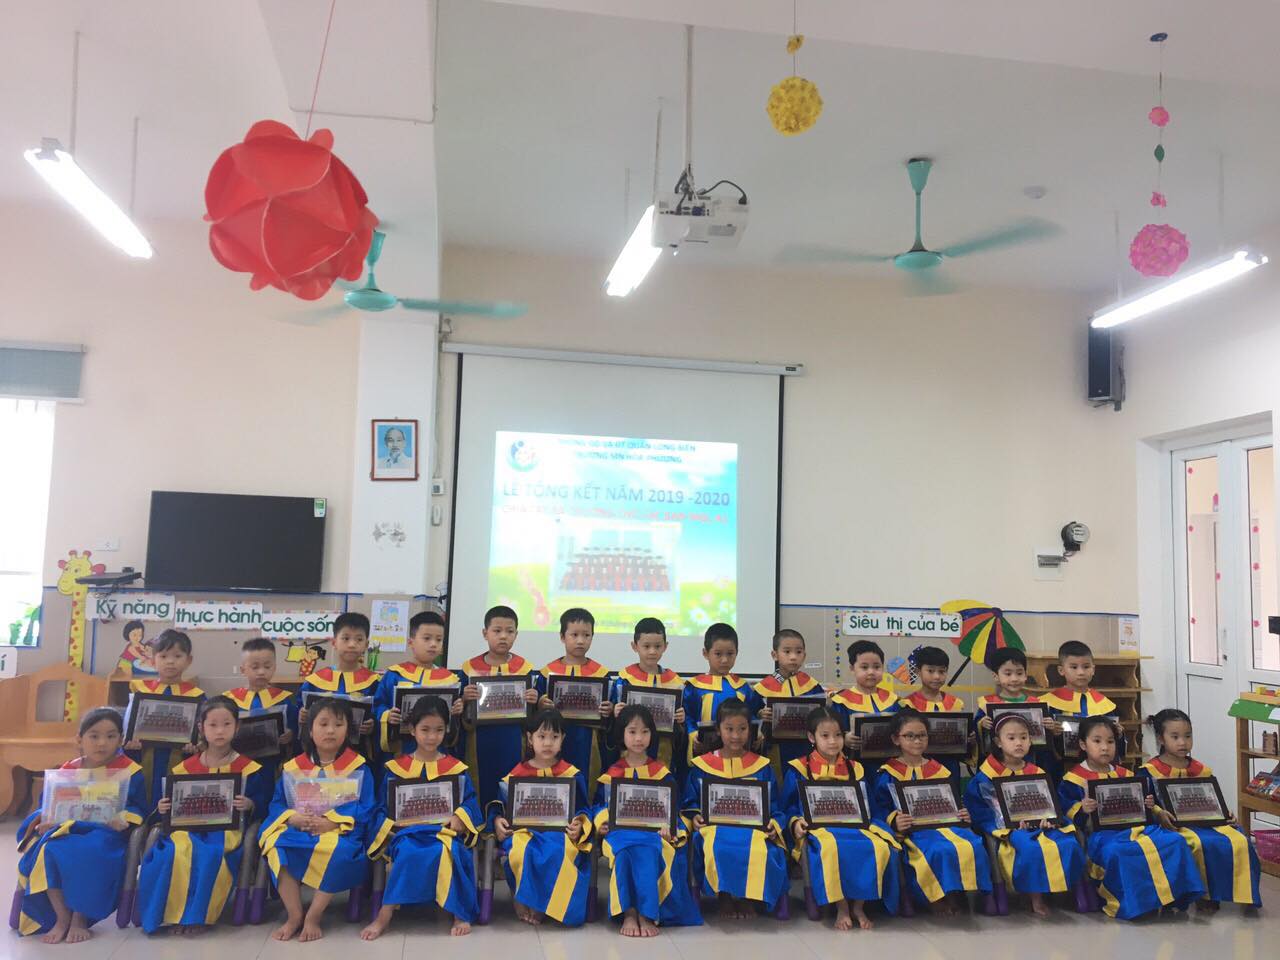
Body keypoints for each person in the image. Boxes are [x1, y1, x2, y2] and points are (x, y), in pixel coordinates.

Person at [137, 696, 273, 934]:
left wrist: (250, 804)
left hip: (227, 832)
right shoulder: (183, 769)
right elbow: (165, 808)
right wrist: (162, 807)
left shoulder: (249, 769)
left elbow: (263, 804)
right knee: (173, 852)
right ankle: (170, 916)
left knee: (210, 854)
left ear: (237, 727)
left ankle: (198, 917)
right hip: (186, 829)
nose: (220, 731)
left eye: (227, 724)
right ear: (201, 728)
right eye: (213, 725)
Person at [14, 708, 147, 942]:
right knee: (49, 849)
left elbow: (140, 808)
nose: (102, 743)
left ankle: (79, 917)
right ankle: (62, 917)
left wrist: (123, 817)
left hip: (106, 833)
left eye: (111, 736)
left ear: (121, 739)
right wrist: (48, 817)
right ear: (80, 739)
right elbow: (49, 803)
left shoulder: (130, 771)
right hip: (68, 827)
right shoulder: (68, 770)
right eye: (94, 736)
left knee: (91, 851)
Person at [1058, 716, 1204, 920]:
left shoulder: (1127, 774)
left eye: (1110, 741)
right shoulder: (1073, 780)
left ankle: (1173, 898)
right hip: (1102, 836)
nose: (1105, 747)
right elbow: (1067, 817)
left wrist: (1150, 807)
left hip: (1138, 829)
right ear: (1083, 744)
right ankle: (1133, 903)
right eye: (1097, 741)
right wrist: (1083, 809)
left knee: (1175, 841)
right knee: (1120, 852)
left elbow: (1144, 809)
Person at [259, 698, 379, 942]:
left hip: (341, 831)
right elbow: (277, 803)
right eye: (323, 724)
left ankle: (313, 916)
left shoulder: (359, 768)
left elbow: (366, 807)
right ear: (310, 730)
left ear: (348, 730)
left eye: (338, 724)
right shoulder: (293, 768)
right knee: (276, 845)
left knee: (340, 850)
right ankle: (294, 915)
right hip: (300, 828)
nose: (331, 731)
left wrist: (333, 822)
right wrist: (292, 817)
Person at [361, 696, 481, 939]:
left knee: (450, 850)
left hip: (444, 833)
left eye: (439, 730)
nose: (432, 737)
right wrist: (390, 824)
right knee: (407, 851)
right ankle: (384, 914)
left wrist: (460, 816)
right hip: (407, 834)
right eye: (425, 729)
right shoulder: (396, 769)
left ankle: (458, 912)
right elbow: (380, 809)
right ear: (412, 730)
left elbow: (470, 803)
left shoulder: (456, 769)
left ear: (446, 730)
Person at [781, 704, 900, 930]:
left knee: (878, 846)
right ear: (811, 737)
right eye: (825, 736)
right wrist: (795, 822)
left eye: (838, 735)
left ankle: (859, 905)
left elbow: (870, 805)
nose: (833, 741)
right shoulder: (798, 769)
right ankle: (842, 906)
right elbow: (787, 806)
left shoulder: (856, 768)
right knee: (830, 848)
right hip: (818, 829)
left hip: (855, 825)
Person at [593, 704, 702, 935]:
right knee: (624, 852)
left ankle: (647, 913)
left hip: (653, 834)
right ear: (622, 734)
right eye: (632, 731)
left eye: (644, 732)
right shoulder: (612, 772)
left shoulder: (662, 773)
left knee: (651, 850)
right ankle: (629, 912)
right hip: (619, 833)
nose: (638, 738)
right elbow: (600, 805)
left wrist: (669, 828)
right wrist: (602, 821)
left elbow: (673, 810)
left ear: (652, 735)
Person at [870, 709, 991, 915]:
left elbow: (952, 800)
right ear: (896, 739)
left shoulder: (940, 770)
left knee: (971, 844)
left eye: (922, 735)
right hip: (913, 831)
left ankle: (957, 891)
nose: (917, 741)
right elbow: (879, 807)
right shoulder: (888, 773)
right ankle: (933, 897)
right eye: (909, 736)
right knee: (935, 849)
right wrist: (894, 820)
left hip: (945, 825)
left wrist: (962, 814)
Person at [963, 713, 1084, 917]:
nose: (1018, 743)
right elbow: (980, 812)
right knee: (1030, 847)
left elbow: (1050, 803)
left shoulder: (1037, 772)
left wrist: (1050, 818)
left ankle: (1060, 890)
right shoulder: (985, 777)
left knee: (1069, 843)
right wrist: (1005, 825)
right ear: (998, 742)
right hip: (1009, 830)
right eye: (1011, 738)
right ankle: (1035, 897)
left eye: (1024, 737)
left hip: (1041, 825)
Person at [1141, 708, 1262, 910]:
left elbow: (1212, 799)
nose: (1183, 742)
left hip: (1204, 821)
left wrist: (1225, 813)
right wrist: (1158, 812)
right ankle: (1202, 895)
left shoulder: (1201, 770)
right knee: (1197, 842)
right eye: (1175, 737)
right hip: (1170, 824)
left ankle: (1245, 894)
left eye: (1188, 736)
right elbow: (1144, 804)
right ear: (1161, 739)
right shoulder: (1149, 771)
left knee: (1239, 838)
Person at [682, 699, 789, 919]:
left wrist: (773, 824)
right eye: (729, 729)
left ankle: (749, 898)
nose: (736, 735)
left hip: (753, 828)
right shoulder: (702, 765)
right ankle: (724, 897)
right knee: (717, 846)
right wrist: (695, 817)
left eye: (742, 729)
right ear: (718, 730)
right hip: (714, 828)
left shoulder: (762, 766)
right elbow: (689, 802)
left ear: (750, 730)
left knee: (759, 847)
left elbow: (775, 806)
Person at [491, 708, 593, 927]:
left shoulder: (571, 774)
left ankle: (543, 903)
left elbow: (583, 808)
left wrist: (579, 824)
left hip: (559, 832)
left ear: (563, 739)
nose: (548, 743)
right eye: (541, 736)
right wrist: (497, 820)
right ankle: (521, 897)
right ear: (530, 739)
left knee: (558, 850)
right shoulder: (516, 775)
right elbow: (500, 807)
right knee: (521, 850)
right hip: (524, 831)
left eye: (554, 737)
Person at [459, 605, 540, 809]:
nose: (503, 636)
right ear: (485, 633)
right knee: (481, 782)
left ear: (516, 634)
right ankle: (481, 821)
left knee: (510, 782)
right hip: (479, 739)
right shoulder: (469, 669)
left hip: (513, 739)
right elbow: (459, 712)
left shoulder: (525, 669)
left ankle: (506, 821)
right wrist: (464, 698)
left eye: (509, 631)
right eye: (497, 631)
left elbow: (532, 717)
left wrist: (534, 700)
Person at [124, 628, 205, 807]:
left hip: (180, 757)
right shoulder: (141, 692)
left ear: (188, 660)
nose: (170, 661)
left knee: (175, 799)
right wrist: (130, 742)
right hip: (145, 755)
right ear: (153, 661)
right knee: (145, 796)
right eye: (163, 656)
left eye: (177, 656)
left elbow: (202, 732)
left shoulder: (197, 696)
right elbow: (128, 726)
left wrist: (196, 746)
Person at [372, 611, 464, 760]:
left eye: (439, 639)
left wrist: (457, 711)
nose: (433, 644)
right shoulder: (395, 674)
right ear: (411, 642)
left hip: (437, 749)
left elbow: (452, 728)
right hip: (402, 750)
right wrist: (387, 715)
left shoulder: (450, 679)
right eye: (427, 638)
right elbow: (377, 705)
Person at [537, 608, 613, 785]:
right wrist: (540, 704)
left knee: (585, 780)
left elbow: (611, 713)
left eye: (586, 635)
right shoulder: (547, 673)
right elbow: (533, 712)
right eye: (574, 635)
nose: (580, 641)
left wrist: (609, 710)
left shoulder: (601, 674)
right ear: (562, 637)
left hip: (587, 741)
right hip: (552, 741)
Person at [297, 613, 380, 759]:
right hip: (321, 753)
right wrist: (301, 716)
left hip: (358, 754)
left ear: (366, 645)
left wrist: (373, 725)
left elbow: (379, 712)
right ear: (334, 642)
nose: (352, 644)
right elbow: (299, 713)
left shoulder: (374, 682)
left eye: (359, 639)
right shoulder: (315, 681)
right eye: (346, 638)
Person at [609, 617, 686, 772]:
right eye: (646, 646)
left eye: (657, 646)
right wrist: (615, 712)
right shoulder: (625, 680)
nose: (652, 651)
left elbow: (682, 725)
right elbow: (614, 722)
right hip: (632, 748)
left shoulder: (675, 682)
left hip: (664, 747)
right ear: (634, 646)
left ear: (665, 646)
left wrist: (681, 718)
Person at [753, 628, 825, 779]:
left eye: (798, 652)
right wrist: (759, 714)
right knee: (778, 780)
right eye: (787, 652)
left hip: (806, 747)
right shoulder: (762, 688)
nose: (793, 657)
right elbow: (750, 718)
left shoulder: (812, 685)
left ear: (804, 655)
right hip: (776, 748)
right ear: (775, 655)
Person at [684, 622, 759, 758]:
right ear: (705, 653)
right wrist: (693, 734)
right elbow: (687, 716)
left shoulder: (742, 687)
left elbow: (752, 715)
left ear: (737, 653)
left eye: (730, 654)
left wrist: (757, 732)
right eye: (718, 654)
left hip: (737, 751)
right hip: (704, 752)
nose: (724, 660)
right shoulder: (695, 687)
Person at [225, 636, 295, 780]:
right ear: (243, 670)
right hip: (237, 765)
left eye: (267, 667)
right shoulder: (230, 700)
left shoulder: (283, 699)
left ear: (274, 668)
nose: (261, 672)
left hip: (271, 765)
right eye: (255, 667)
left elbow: (294, 728)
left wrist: (290, 735)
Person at [975, 648, 1056, 771]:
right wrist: (981, 724)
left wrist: (1050, 727)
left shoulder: (1036, 704)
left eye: (1019, 673)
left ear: (1025, 675)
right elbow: (977, 735)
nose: (1014, 679)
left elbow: (1044, 740)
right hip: (999, 761)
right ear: (996, 676)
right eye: (1008, 674)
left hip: (1030, 758)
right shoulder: (987, 704)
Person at [831, 640, 899, 770]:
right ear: (852, 669)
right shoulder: (841, 701)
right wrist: (844, 738)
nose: (871, 672)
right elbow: (830, 731)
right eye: (864, 667)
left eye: (877, 667)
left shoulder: (893, 700)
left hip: (889, 767)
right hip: (853, 767)